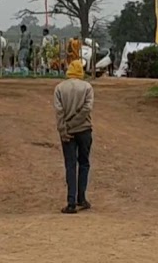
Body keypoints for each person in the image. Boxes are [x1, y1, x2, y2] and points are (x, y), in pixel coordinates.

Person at [54, 60, 94, 214]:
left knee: (70, 165)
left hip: (67, 132)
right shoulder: (87, 87)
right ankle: (81, 199)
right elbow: (87, 109)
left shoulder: (59, 88)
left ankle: (70, 203)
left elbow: (59, 112)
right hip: (84, 130)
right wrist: (74, 123)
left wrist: (64, 129)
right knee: (84, 163)